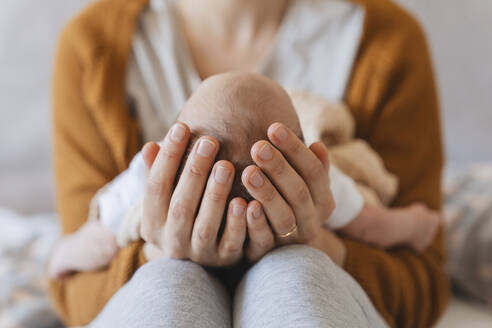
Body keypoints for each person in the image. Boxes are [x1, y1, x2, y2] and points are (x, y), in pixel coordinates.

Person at [49, 0, 450, 327]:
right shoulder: (93, 46)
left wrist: (321, 247)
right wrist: (158, 255)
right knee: (169, 285)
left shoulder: (388, 42)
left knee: (294, 275)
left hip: (314, 284)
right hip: (163, 288)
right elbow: (372, 221)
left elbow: (104, 221)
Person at [48, 73, 440, 280]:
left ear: (172, 141)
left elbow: (104, 217)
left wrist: (70, 251)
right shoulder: (316, 179)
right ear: (300, 148)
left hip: (180, 268)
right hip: (285, 264)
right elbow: (374, 226)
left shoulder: (152, 180)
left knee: (104, 235)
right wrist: (415, 225)